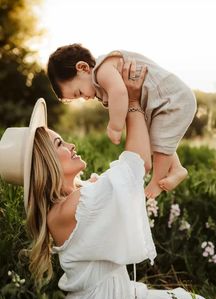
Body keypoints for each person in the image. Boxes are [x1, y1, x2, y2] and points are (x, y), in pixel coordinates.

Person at [0, 62, 210, 299]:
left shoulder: (78, 197)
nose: (71, 145)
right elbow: (137, 164)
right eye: (60, 143)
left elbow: (130, 170)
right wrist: (133, 102)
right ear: (45, 162)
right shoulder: (67, 210)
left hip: (122, 297)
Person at [47, 43, 197, 199]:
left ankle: (157, 180)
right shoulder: (98, 84)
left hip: (171, 99)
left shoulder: (103, 70)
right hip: (161, 104)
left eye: (79, 92)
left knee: (161, 143)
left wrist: (115, 126)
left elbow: (119, 92)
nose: (84, 98)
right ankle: (177, 169)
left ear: (83, 67)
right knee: (157, 140)